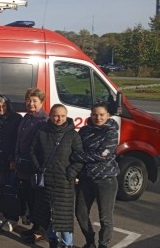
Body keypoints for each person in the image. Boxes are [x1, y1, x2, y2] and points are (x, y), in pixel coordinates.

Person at [29, 104, 84, 248]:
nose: (59, 119)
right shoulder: (42, 131)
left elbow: (79, 158)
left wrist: (70, 173)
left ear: (66, 116)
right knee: (47, 214)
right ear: (51, 115)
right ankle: (52, 240)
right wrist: (39, 168)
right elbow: (32, 151)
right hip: (46, 180)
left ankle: (67, 244)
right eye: (55, 115)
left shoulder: (73, 135)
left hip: (64, 182)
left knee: (64, 218)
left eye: (62, 116)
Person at [71, 102, 120, 248]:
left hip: (106, 180)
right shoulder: (85, 130)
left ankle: (103, 244)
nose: (97, 117)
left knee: (105, 218)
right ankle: (90, 241)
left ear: (108, 115)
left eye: (101, 115)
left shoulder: (111, 132)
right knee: (80, 213)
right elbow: (75, 148)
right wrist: (79, 157)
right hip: (86, 178)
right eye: (94, 114)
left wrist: (78, 156)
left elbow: (101, 155)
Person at [14, 87, 48, 243]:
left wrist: (38, 166)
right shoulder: (26, 117)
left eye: (34, 100)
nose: (31, 103)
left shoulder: (44, 121)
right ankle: (35, 227)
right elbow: (19, 141)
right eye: (28, 100)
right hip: (23, 165)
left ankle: (41, 230)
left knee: (37, 200)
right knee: (29, 198)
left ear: (42, 102)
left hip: (34, 167)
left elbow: (43, 147)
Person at [0, 94, 22, 232]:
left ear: (8, 105)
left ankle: (13, 219)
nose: (1, 108)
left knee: (12, 190)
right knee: (1, 189)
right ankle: (4, 215)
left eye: (3, 105)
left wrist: (13, 158)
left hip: (11, 160)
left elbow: (18, 141)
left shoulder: (16, 119)